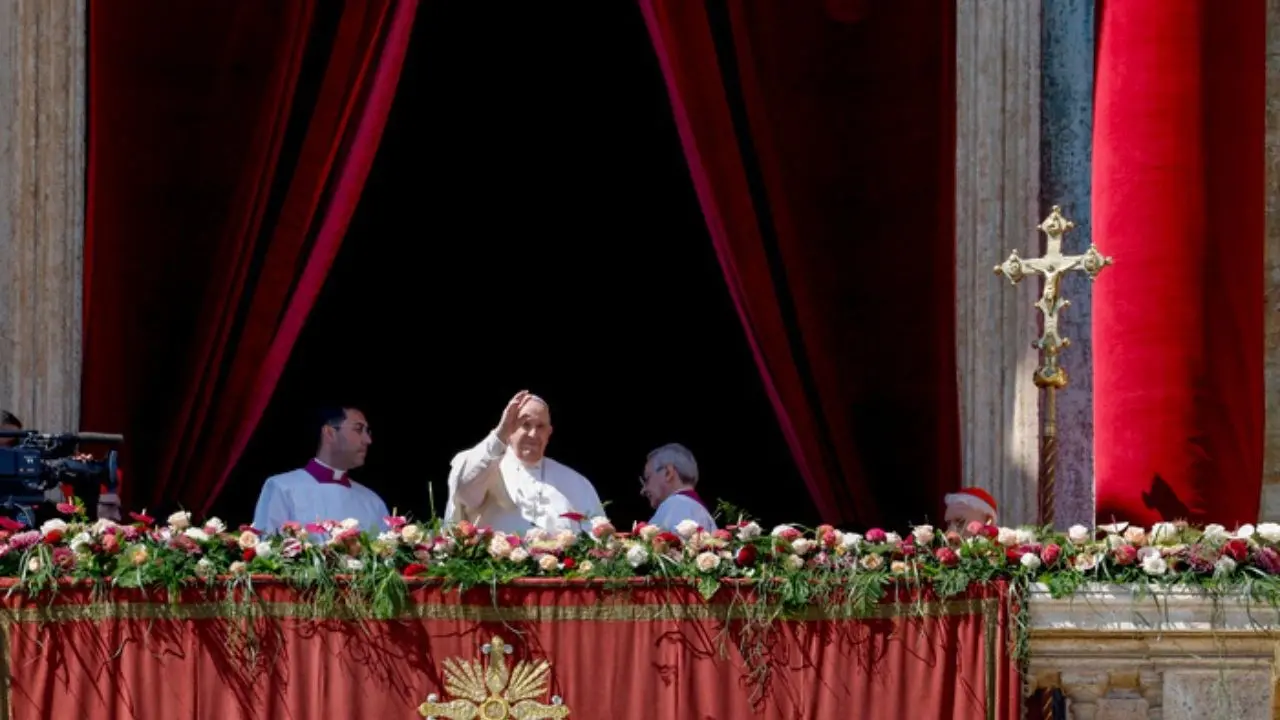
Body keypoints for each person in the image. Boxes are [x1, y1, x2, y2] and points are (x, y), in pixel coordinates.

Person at [445, 390, 603, 535]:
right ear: (510, 428)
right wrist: (500, 434)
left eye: (540, 426)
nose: (533, 434)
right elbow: (465, 492)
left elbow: (599, 535)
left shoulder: (575, 481)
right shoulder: (483, 464)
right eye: (525, 425)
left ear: (549, 433)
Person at [251, 405, 389, 535]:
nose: (368, 440)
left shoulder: (372, 502)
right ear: (329, 433)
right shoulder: (282, 488)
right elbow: (267, 551)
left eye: (367, 431)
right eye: (358, 429)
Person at [641, 442, 716, 532]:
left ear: (668, 473)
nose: (643, 490)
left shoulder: (676, 505)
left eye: (647, 478)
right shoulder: (698, 510)